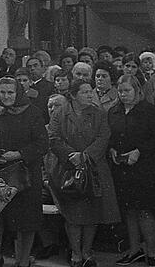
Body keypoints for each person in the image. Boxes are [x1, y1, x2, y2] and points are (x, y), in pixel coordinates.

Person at [0, 77, 49, 267]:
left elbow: (42, 144)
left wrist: (17, 154)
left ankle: (23, 261)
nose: (6, 97)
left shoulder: (33, 113)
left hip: (24, 175)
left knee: (26, 220)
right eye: (2, 92)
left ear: (18, 93)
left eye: (10, 92)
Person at [49, 79, 120, 267]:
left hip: (94, 168)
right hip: (68, 169)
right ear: (73, 95)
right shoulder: (59, 113)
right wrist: (71, 155)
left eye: (91, 92)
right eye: (85, 92)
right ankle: (76, 252)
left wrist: (85, 156)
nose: (90, 95)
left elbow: (104, 136)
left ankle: (87, 251)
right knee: (72, 214)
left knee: (92, 213)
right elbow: (53, 138)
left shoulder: (99, 113)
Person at [108, 75, 155, 267]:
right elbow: (111, 137)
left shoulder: (149, 111)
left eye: (127, 91)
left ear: (137, 90)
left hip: (145, 168)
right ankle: (134, 250)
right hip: (122, 169)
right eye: (120, 91)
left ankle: (151, 251)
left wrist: (139, 151)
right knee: (129, 211)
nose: (123, 95)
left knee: (145, 210)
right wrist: (113, 149)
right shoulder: (114, 112)